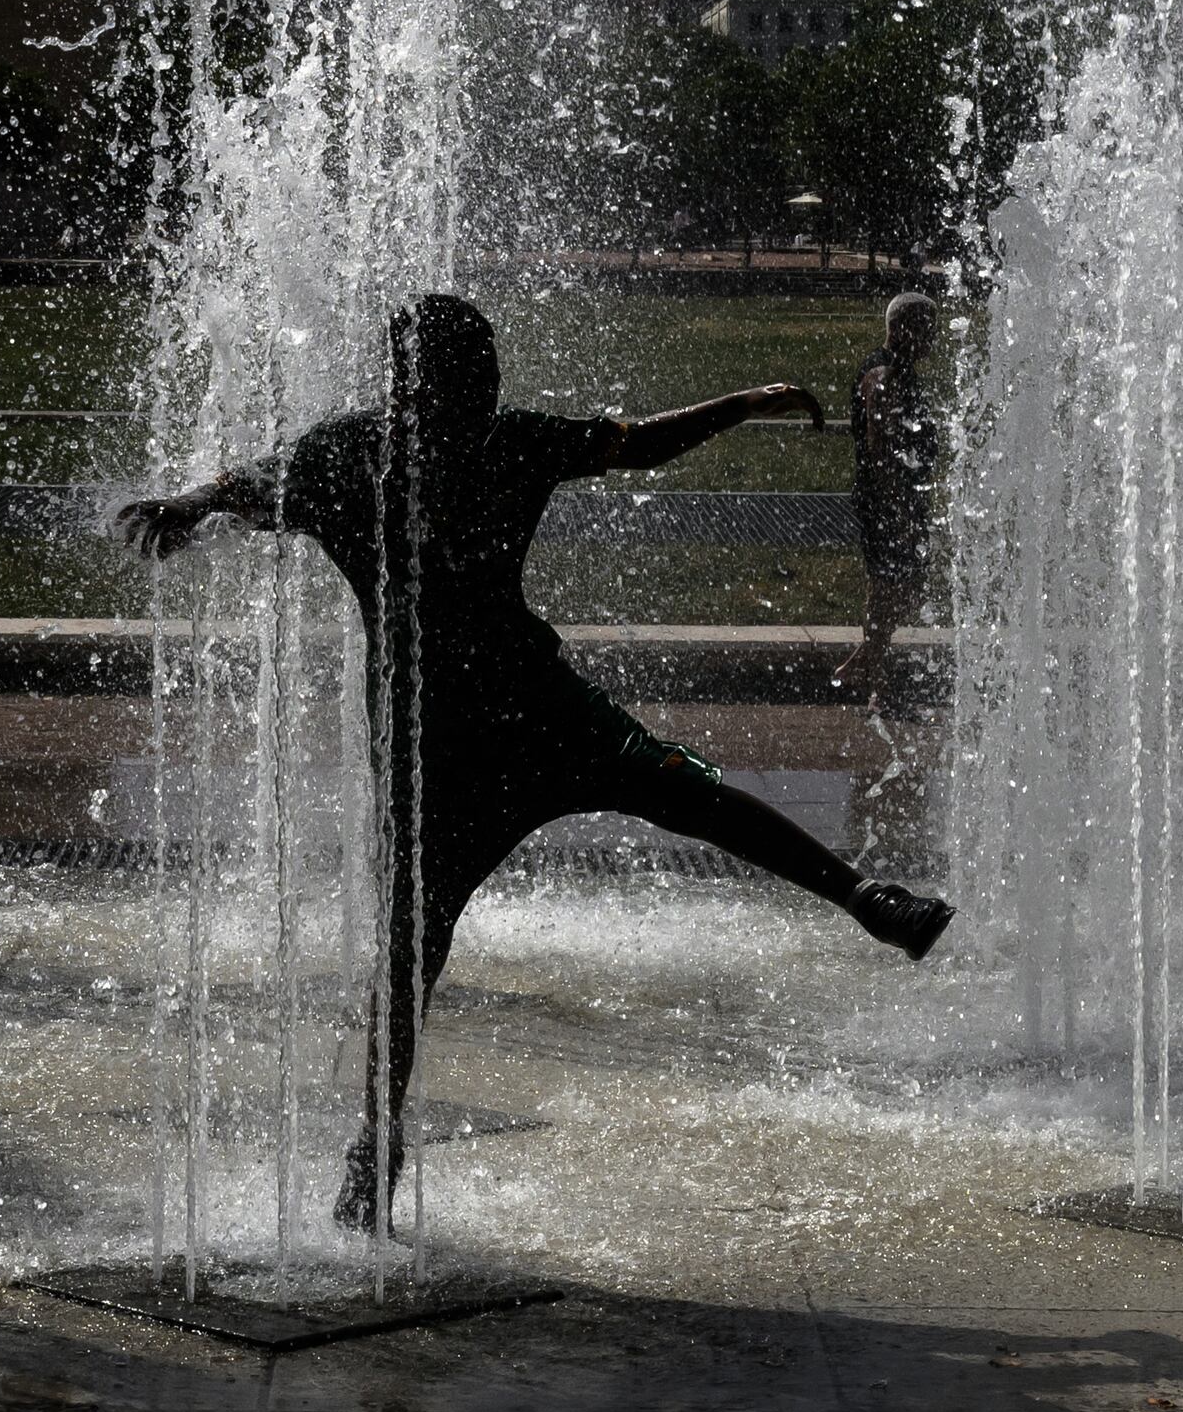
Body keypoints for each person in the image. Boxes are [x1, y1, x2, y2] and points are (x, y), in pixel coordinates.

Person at [118, 292, 953, 1235]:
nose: (485, 388)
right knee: (409, 949)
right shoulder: (356, 452)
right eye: (468, 374)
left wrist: (744, 403)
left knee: (682, 792)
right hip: (441, 752)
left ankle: (866, 898)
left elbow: (637, 443)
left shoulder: (491, 440)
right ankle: (375, 1145)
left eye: (486, 373)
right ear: (417, 382)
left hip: (533, 712)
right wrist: (188, 505)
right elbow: (247, 483)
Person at [846, 291, 947, 713]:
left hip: (900, 500)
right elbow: (881, 447)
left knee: (904, 587)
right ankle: (877, 685)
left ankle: (867, 661)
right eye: (926, 331)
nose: (932, 341)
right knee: (887, 588)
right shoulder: (884, 373)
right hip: (888, 502)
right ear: (902, 329)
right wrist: (898, 508)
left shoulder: (900, 370)